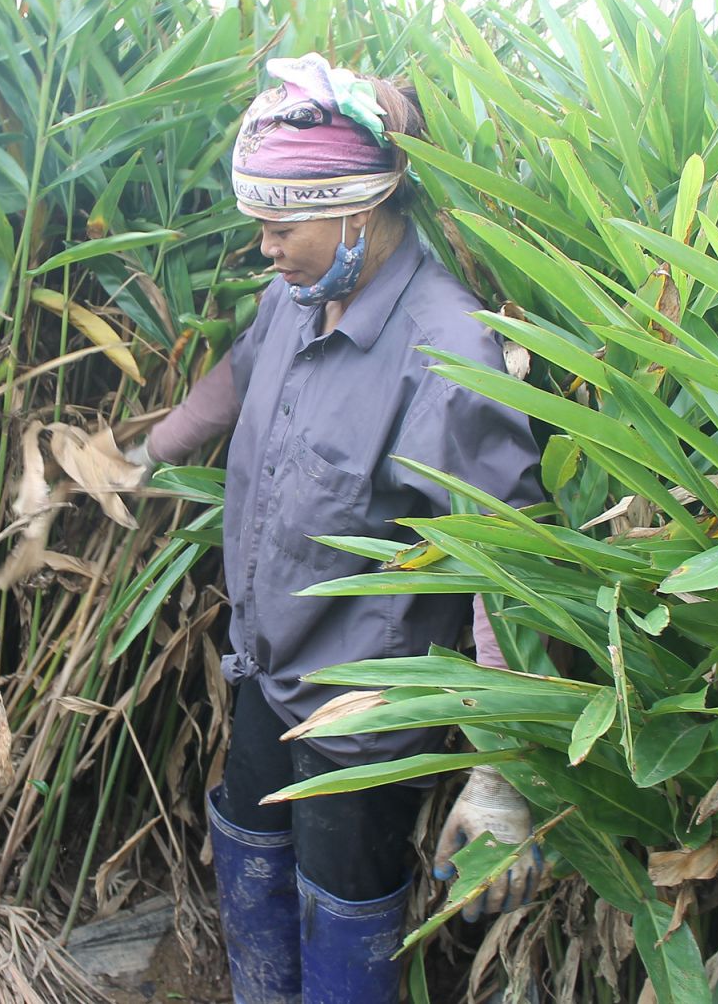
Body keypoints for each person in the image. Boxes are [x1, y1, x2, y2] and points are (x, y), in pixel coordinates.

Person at [126, 54, 544, 1002]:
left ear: (359, 207)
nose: (266, 250)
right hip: (268, 663)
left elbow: (501, 561)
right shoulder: (301, 291)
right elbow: (239, 373)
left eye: (281, 228)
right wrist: (146, 453)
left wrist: (500, 778)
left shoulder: (447, 348)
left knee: (342, 899)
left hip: (362, 706)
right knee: (250, 840)